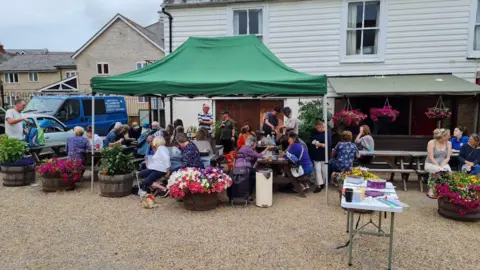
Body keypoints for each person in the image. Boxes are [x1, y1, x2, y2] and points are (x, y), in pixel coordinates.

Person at [425, 128, 452, 199]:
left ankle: (445, 190)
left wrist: (442, 166)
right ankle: (431, 190)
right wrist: (438, 167)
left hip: (443, 163)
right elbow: (431, 157)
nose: (447, 140)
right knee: (437, 171)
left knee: (447, 171)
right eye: (446, 138)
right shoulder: (431, 142)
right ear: (442, 137)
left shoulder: (449, 143)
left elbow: (447, 157)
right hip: (431, 163)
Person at [310, 121, 332, 193]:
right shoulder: (314, 133)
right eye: (317, 127)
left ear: (323, 126)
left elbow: (329, 145)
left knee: (324, 171)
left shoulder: (327, 134)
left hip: (324, 155)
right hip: (316, 155)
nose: (318, 128)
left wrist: (321, 145)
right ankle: (319, 185)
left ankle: (323, 183)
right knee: (317, 170)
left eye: (319, 126)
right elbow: (311, 141)